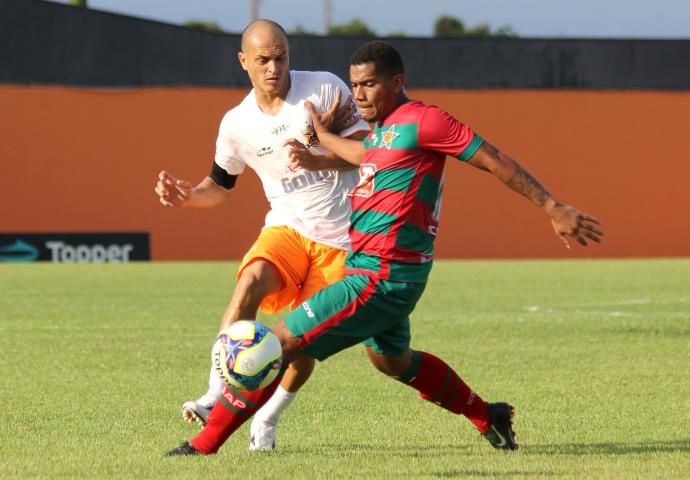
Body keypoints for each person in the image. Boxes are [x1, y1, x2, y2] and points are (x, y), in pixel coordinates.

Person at [166, 40, 603, 456]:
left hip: (379, 276)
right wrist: (320, 143)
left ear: (397, 82)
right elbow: (366, 155)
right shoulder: (380, 133)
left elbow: (495, 159)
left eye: (369, 84)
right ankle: (488, 416)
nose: (358, 94)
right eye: (354, 85)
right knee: (392, 362)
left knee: (276, 342)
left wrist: (551, 205)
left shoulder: (426, 121)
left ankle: (202, 446)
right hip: (379, 273)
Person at [155, 19, 369, 451]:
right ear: (243, 62)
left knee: (301, 342)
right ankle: (216, 394)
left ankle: (267, 420)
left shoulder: (323, 89)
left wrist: (319, 157)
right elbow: (219, 184)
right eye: (264, 60)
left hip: (341, 238)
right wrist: (187, 198)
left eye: (281, 57)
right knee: (248, 282)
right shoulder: (236, 123)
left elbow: (368, 150)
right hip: (286, 227)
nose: (274, 68)